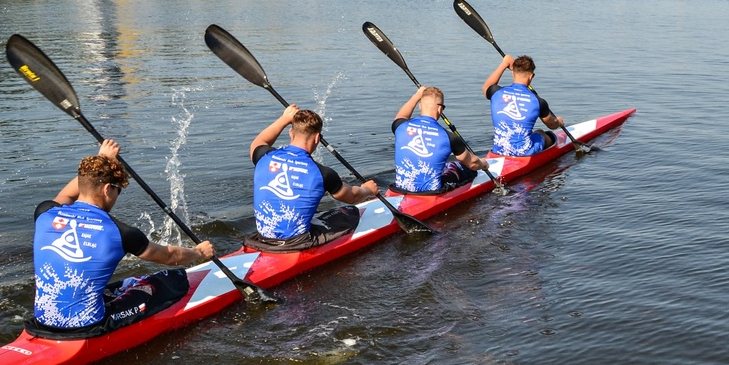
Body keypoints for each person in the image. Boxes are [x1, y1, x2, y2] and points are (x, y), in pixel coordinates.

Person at [30, 139, 214, 338]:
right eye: (118, 190)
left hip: (41, 321)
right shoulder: (120, 232)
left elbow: (67, 193)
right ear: (107, 189)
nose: (117, 196)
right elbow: (169, 256)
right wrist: (199, 252)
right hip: (87, 327)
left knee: (121, 285)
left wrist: (101, 159)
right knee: (170, 279)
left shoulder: (45, 213)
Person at [246, 105, 379, 252]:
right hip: (296, 243)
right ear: (317, 138)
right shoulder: (323, 173)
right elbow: (353, 197)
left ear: (291, 132)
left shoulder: (264, 156)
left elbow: (258, 142)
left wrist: (284, 119)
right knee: (350, 211)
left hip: (263, 239)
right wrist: (368, 189)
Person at [391, 86, 489, 193]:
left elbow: (401, 116)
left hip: (400, 188)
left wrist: (417, 96)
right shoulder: (449, 137)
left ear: (420, 106)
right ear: (440, 109)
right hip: (431, 193)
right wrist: (483, 164)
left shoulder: (400, 127)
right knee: (462, 167)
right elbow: (473, 163)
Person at [483, 55, 565, 156]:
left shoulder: (496, 92)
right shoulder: (538, 101)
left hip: (498, 151)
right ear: (531, 76)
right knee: (541, 133)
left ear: (513, 73)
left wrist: (504, 64)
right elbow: (552, 125)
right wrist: (559, 122)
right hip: (524, 155)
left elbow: (487, 86)